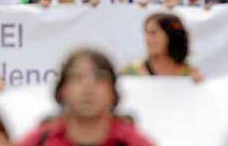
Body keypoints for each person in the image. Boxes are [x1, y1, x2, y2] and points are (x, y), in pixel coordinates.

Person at [18, 49, 154, 146]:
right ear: (62, 91)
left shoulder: (133, 142)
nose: (88, 87)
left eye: (100, 78)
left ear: (113, 93)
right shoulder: (39, 140)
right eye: (77, 78)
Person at [122, 13, 202, 81]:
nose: (147, 39)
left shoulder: (190, 75)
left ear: (171, 36)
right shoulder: (130, 73)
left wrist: (198, 86)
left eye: (153, 33)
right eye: (147, 33)